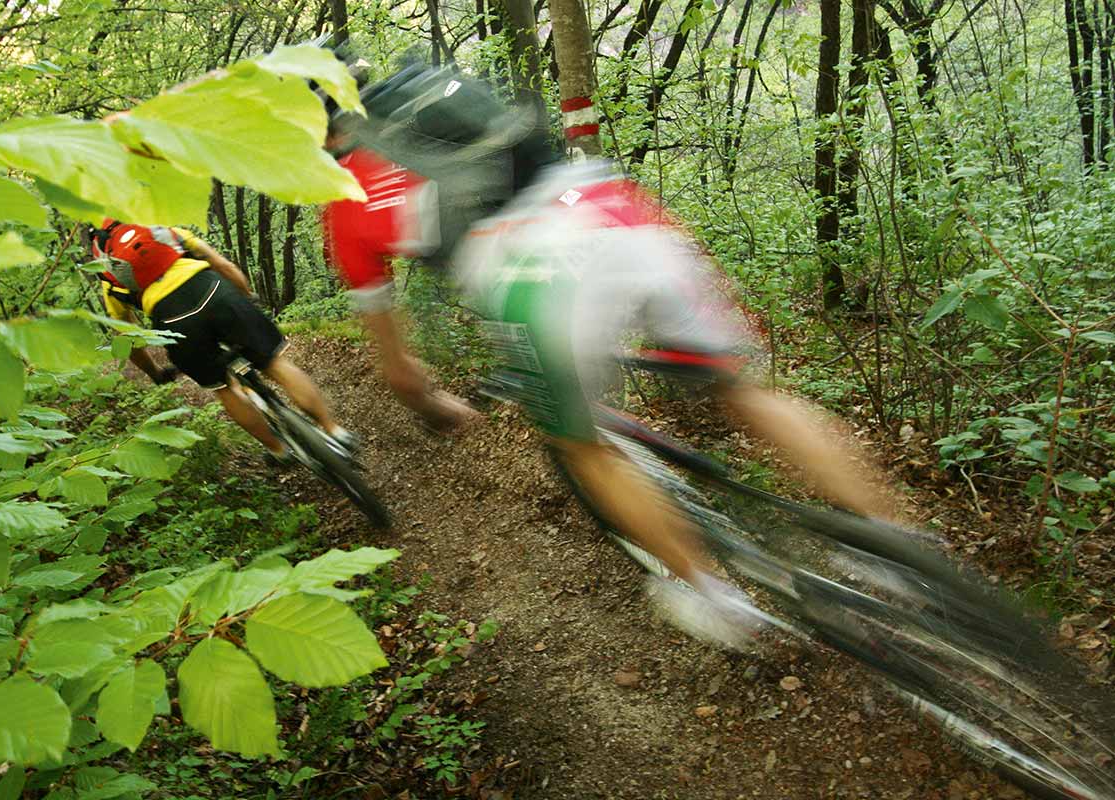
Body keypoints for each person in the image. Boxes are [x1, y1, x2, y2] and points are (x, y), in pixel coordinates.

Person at [454, 160, 900, 648]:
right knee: (743, 390)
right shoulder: (534, 155)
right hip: (618, 209)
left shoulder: (450, 232)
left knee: (580, 447)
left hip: (536, 275)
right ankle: (898, 542)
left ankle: (712, 595)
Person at [91, 219, 354, 463]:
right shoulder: (164, 234)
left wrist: (155, 372)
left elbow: (128, 337)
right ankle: (335, 430)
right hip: (215, 291)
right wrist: (245, 297)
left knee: (223, 388)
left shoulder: (110, 276)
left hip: (173, 320)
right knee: (273, 363)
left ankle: (279, 451)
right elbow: (224, 266)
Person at [320, 74, 481, 434]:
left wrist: (438, 408)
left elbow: (401, 376)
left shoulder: (342, 205)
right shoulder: (433, 112)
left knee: (579, 444)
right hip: (585, 206)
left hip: (509, 271)